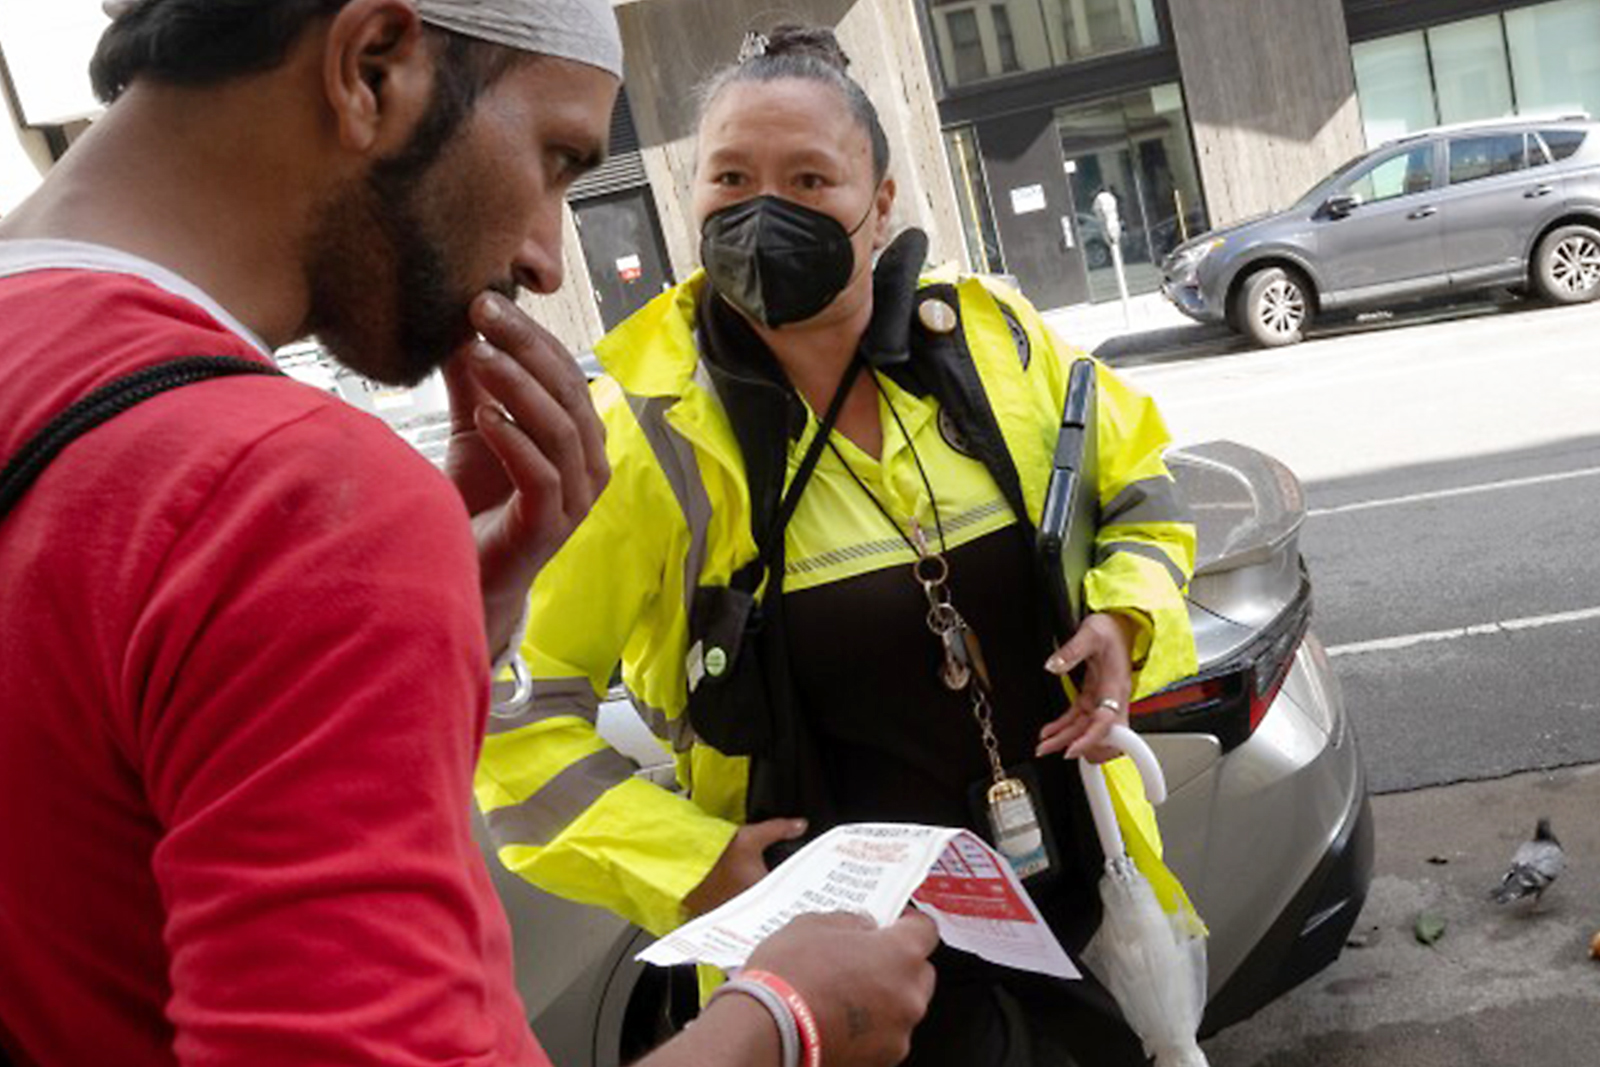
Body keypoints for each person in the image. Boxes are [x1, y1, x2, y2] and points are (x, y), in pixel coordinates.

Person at [0, 3, 935, 1065]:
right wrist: (787, 1015)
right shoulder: (288, 495)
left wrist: (457, 618)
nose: (543, 258)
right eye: (554, 156)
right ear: (371, 66)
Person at [479, 24, 1200, 1067]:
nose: (762, 208)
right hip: (844, 990)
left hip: (1076, 925)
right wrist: (694, 862)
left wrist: (1126, 616)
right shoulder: (640, 434)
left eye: (809, 177)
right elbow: (513, 729)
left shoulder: (994, 341)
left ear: (881, 205)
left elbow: (1141, 487)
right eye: (729, 175)